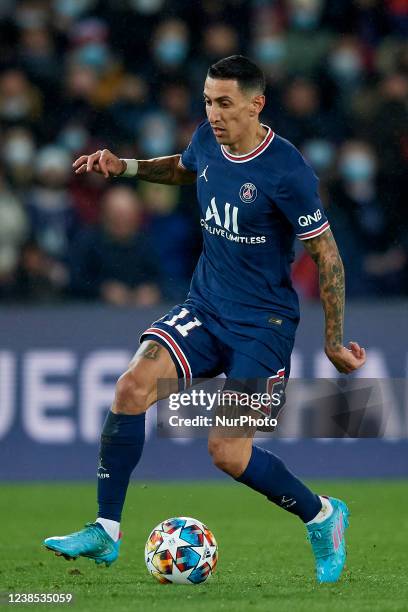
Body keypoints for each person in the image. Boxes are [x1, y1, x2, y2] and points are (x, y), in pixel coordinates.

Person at [44, 56, 366, 583]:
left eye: (224, 103)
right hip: (206, 307)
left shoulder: (287, 170)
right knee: (130, 387)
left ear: (256, 104)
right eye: (207, 102)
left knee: (227, 452)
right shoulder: (208, 138)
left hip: (264, 325)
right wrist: (123, 166)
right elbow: (185, 167)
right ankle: (106, 528)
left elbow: (327, 256)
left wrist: (334, 340)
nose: (213, 114)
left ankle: (323, 516)